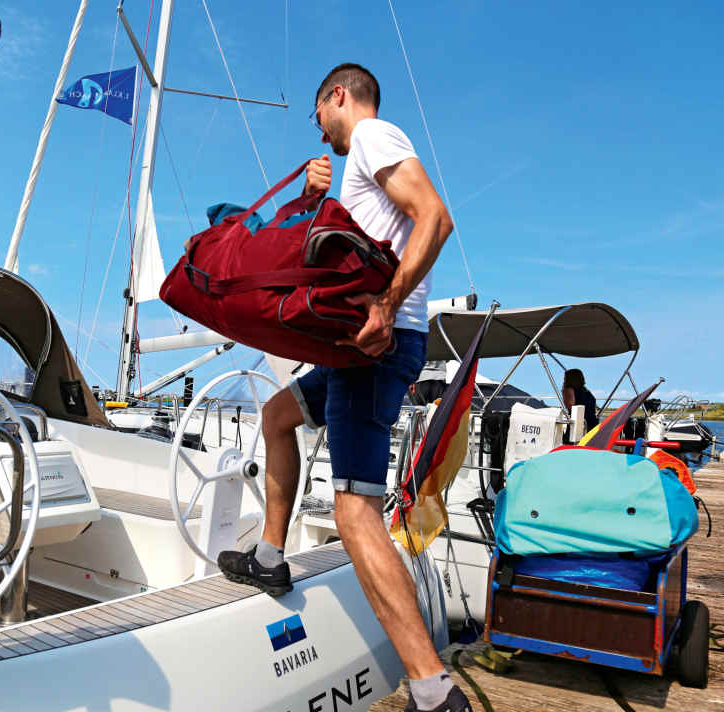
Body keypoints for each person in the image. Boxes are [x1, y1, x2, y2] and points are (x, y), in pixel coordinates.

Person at [215, 63, 470, 712]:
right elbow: (322, 247)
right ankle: (271, 555)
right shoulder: (358, 164)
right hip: (347, 351)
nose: (318, 127)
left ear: (337, 99)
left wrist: (384, 307)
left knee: (356, 514)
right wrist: (311, 191)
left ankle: (433, 689)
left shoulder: (377, 136)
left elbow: (433, 217)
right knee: (277, 416)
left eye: (317, 113)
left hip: (373, 348)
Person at [562, 368, 599, 437]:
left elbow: (570, 405)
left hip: (578, 424)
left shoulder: (568, 389)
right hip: (592, 424)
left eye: (565, 377)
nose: (564, 379)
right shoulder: (586, 391)